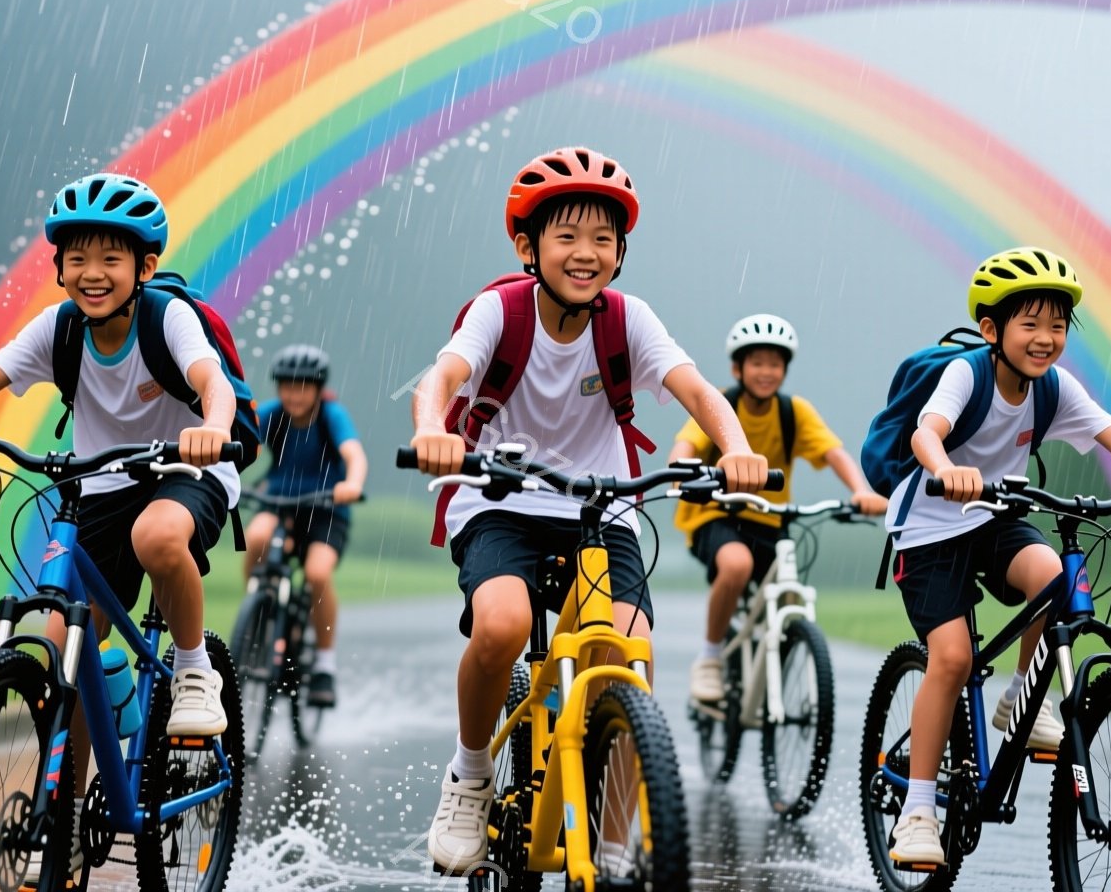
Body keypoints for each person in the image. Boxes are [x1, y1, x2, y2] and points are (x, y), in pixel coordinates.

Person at [406, 146, 769, 873]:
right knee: (503, 625)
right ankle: (472, 773)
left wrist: (734, 446)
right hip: (500, 499)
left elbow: (697, 390)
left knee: (626, 654)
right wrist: (431, 430)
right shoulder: (499, 311)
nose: (586, 253)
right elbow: (442, 376)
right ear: (527, 247)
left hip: (601, 508)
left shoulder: (628, 320)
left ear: (621, 253)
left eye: (603, 239)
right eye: (567, 236)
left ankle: (611, 842)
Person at [0, 172, 244, 883]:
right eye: (77, 258)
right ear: (58, 267)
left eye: (112, 259)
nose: (92, 273)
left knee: (158, 537)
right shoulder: (57, 330)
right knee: (59, 648)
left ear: (144, 268)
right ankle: (71, 824)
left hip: (186, 469)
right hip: (97, 484)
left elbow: (209, 380)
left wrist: (210, 431)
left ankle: (194, 669)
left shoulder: (167, 318)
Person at [883, 247, 1111, 866]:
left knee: (1059, 578)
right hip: (930, 527)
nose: (1046, 339)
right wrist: (948, 469)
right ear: (992, 330)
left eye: (1058, 325)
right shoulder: (967, 374)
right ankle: (919, 811)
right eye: (1030, 324)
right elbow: (925, 432)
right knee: (951, 659)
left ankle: (1021, 701)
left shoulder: (1054, 388)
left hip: (993, 517)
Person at [668, 313, 888, 704]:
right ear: (738, 368)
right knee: (736, 566)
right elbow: (685, 445)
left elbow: (832, 452)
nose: (766, 371)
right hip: (716, 514)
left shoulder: (794, 413)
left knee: (787, 587)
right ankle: (711, 657)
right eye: (757, 362)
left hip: (770, 521)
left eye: (775, 363)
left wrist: (860, 490)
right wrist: (679, 476)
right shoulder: (721, 404)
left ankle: (773, 651)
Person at [245, 343, 366, 708]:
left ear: (317, 388)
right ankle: (258, 614)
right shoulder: (271, 414)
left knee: (316, 573)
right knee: (256, 538)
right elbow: (239, 439)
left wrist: (353, 483)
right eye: (286, 385)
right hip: (280, 498)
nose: (293, 394)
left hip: (327, 506)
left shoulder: (332, 416)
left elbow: (353, 454)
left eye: (302, 386)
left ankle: (324, 665)